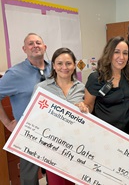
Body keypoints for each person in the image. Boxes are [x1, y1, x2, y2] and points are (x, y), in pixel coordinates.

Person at [0, 33, 51, 185]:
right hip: (29, 134)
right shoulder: (14, 74)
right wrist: (8, 123)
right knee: (29, 178)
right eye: (30, 43)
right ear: (24, 49)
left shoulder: (55, 69)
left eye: (38, 42)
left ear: (44, 47)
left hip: (54, 132)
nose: (35, 45)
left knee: (55, 174)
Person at [33, 47, 86, 185]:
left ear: (74, 65)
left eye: (68, 63)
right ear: (54, 66)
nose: (64, 67)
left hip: (75, 147)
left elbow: (86, 119)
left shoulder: (81, 87)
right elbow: (33, 116)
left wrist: (84, 109)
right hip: (51, 146)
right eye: (60, 63)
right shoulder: (41, 88)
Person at [83, 36, 129, 134]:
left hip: (127, 135)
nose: (121, 57)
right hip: (104, 134)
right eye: (116, 52)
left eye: (125, 53)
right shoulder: (96, 78)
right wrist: (83, 108)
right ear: (109, 53)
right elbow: (89, 105)